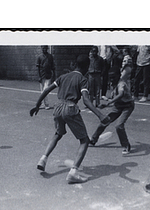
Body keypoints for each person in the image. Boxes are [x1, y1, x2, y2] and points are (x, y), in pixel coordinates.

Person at [30, 55, 110, 183]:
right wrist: (100, 115)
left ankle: (43, 159)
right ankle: (73, 172)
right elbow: (86, 100)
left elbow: (46, 90)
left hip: (58, 108)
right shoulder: (82, 79)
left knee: (58, 134)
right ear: (86, 67)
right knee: (84, 141)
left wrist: (37, 105)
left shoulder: (63, 77)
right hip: (70, 108)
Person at [89, 76, 135, 155]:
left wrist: (108, 103)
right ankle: (93, 140)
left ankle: (126, 145)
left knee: (119, 125)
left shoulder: (121, 84)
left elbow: (120, 94)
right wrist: (106, 105)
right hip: (117, 106)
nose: (111, 79)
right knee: (105, 121)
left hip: (127, 106)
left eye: (113, 77)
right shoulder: (114, 86)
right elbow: (116, 99)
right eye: (110, 77)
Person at [36, 45, 56, 110]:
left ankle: (47, 104)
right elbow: (38, 68)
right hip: (42, 76)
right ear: (41, 48)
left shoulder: (50, 56)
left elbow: (53, 66)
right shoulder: (39, 57)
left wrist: (54, 75)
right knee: (42, 91)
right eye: (43, 48)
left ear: (47, 48)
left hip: (48, 75)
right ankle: (42, 104)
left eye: (45, 48)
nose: (44, 49)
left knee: (46, 90)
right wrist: (39, 76)